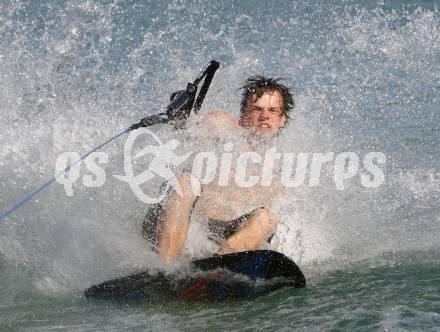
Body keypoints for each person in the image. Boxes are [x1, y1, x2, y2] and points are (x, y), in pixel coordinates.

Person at [142, 75, 295, 264]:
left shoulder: (279, 170)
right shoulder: (227, 127)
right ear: (243, 115)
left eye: (272, 110)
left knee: (267, 218)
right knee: (187, 182)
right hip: (188, 221)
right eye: (257, 109)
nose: (264, 116)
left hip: (225, 234)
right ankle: (163, 270)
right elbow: (193, 124)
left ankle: (218, 271)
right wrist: (182, 113)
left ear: (282, 119)